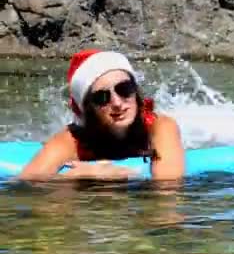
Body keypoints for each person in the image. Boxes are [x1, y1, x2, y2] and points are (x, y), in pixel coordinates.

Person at [19, 49, 185, 181]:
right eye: (101, 97)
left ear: (136, 92)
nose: (117, 103)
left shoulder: (159, 126)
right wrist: (90, 173)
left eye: (124, 89)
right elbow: (26, 182)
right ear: (87, 109)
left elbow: (168, 185)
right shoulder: (72, 141)